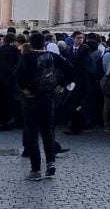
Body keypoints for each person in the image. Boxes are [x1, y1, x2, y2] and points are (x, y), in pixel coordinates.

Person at [16, 32, 73, 181]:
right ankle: (50, 164)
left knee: (32, 134)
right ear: (44, 43)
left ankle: (35, 169)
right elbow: (71, 70)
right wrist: (61, 85)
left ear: (30, 43)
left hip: (31, 98)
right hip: (48, 98)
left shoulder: (26, 57)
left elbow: (18, 76)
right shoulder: (53, 56)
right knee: (48, 132)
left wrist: (24, 89)